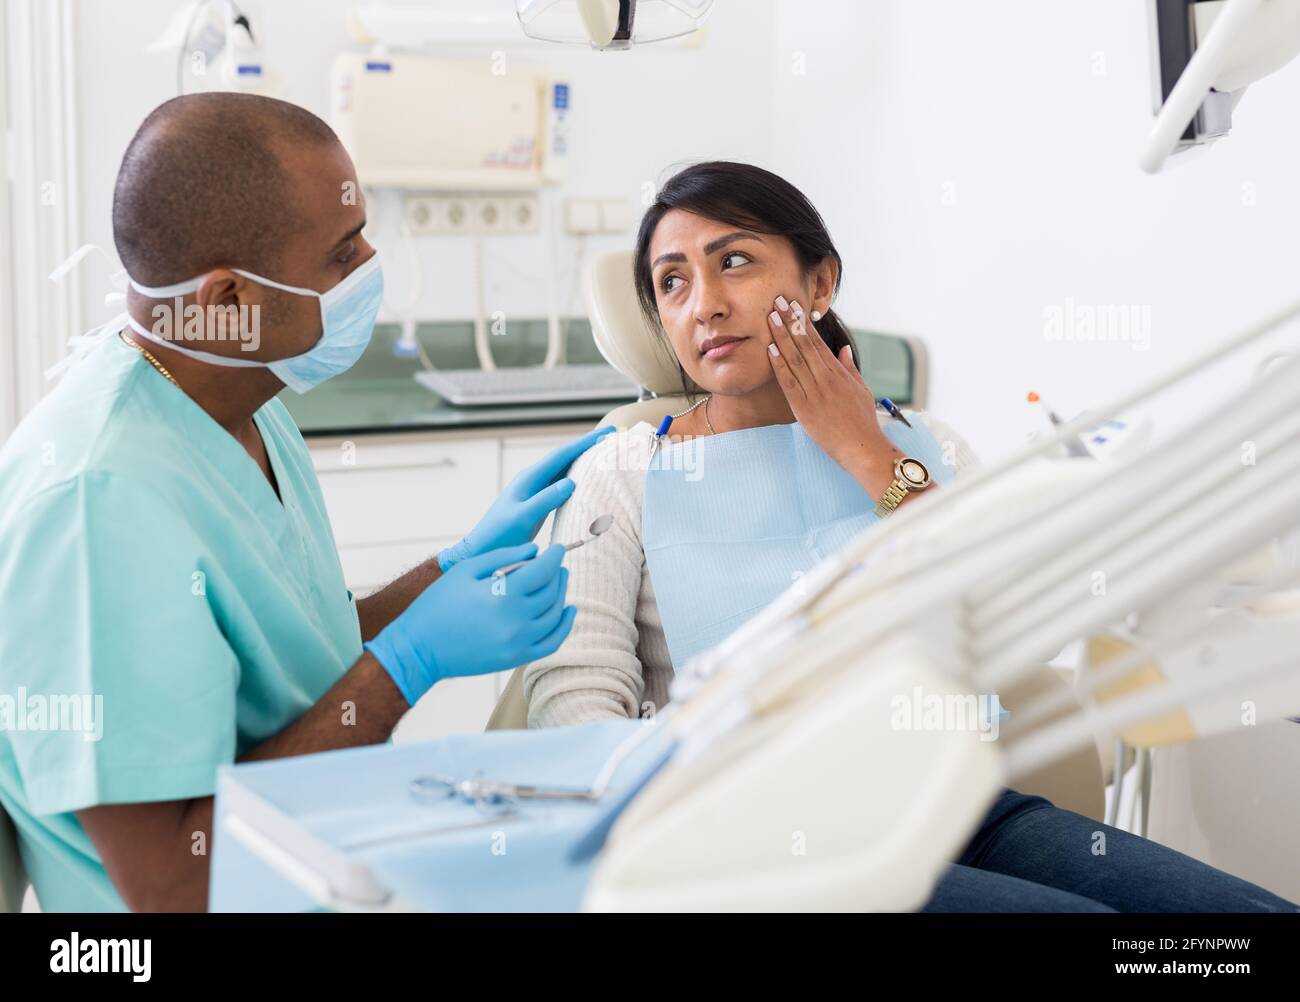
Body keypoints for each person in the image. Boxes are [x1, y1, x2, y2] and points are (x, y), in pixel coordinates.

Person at [521, 160, 1298, 913]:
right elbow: (574, 706)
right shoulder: (623, 471)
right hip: (751, 841)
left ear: (819, 284)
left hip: (957, 810)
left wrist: (868, 455)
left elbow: (1008, 633)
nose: (706, 304)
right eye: (673, 282)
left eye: (734, 262)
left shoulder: (930, 445)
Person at [0, 92, 610, 912]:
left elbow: (289, 649)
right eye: (342, 252)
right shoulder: (94, 503)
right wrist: (408, 665)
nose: (369, 268)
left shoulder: (243, 403)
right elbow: (174, 883)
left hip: (323, 861)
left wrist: (450, 569)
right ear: (227, 303)